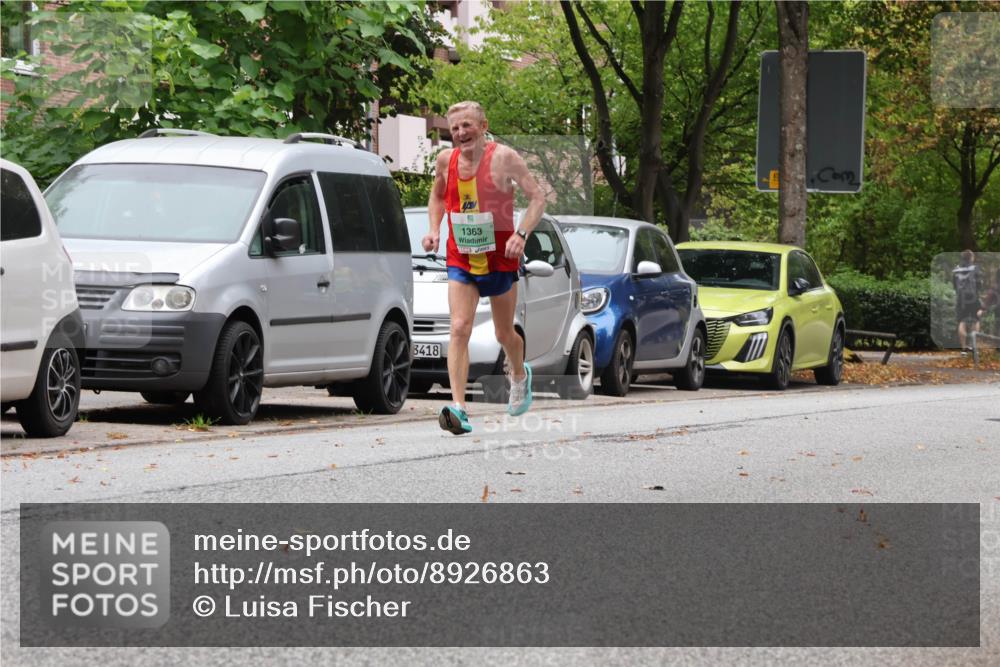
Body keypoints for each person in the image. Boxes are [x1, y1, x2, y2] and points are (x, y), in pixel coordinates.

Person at [422, 101, 545, 435]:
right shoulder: (445, 161)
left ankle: (519, 375)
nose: (461, 133)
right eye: (456, 128)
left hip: (500, 256)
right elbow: (436, 197)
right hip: (461, 255)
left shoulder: (504, 158)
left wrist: (522, 234)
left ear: (483, 125)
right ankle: (459, 407)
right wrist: (434, 230)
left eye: (467, 126)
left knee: (504, 333)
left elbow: (538, 198)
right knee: (460, 326)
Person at [952, 249, 982, 353]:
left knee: (962, 321)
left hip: (961, 298)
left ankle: (964, 349)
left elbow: (954, 285)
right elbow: (979, 284)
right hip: (973, 297)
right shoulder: (975, 268)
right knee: (976, 319)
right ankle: (974, 347)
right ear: (970, 258)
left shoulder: (956, 269)